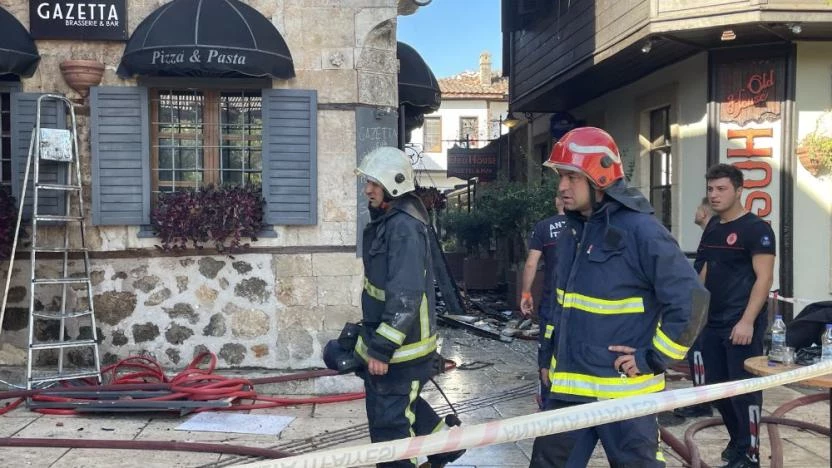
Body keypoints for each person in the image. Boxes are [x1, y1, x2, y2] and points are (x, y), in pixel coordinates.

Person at [529, 127, 708, 468]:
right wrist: (545, 357)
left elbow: (691, 302)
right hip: (569, 391)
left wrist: (653, 358)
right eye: (560, 177)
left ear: (600, 178)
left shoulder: (642, 231)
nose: (562, 187)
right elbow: (557, 304)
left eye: (571, 177)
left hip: (627, 396)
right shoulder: (571, 232)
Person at [352, 146, 465, 468]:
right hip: (399, 344)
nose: (367, 190)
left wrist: (382, 348)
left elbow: (405, 296)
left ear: (394, 184)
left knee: (391, 426)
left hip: (403, 349)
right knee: (404, 405)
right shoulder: (391, 222)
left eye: (374, 183)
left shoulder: (403, 228)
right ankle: (446, 444)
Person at [695, 163, 775, 468]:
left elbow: (764, 278)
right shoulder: (713, 227)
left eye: (721, 189)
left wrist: (747, 321)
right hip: (712, 323)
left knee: (745, 393)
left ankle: (750, 454)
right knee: (716, 389)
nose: (714, 195)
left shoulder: (757, 229)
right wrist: (694, 315)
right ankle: (738, 441)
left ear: (739, 190)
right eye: (710, 189)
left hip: (741, 324)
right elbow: (703, 271)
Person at [519, 194, 567, 408]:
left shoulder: (544, 227)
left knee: (547, 347)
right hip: (581, 302)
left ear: (557, 202)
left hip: (552, 301)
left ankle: (548, 399)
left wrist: (526, 293)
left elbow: (531, 263)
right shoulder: (586, 226)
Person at [674, 197, 716, 419]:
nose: (696, 211)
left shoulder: (711, 235)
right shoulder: (711, 234)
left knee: (697, 352)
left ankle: (702, 402)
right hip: (710, 307)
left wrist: (695, 302)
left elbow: (706, 270)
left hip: (704, 308)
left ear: (705, 212)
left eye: (699, 207)